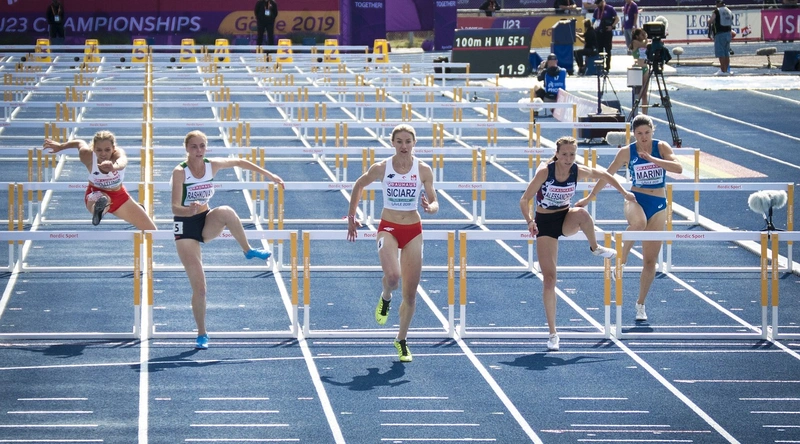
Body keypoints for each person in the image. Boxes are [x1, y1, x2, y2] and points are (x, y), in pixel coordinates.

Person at [171, 130, 284, 349]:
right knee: (200, 288)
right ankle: (202, 334)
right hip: (185, 226)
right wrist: (188, 210)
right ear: (187, 149)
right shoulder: (180, 172)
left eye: (202, 146)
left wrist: (269, 175)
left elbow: (240, 162)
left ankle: (247, 250)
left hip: (205, 219)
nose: (199, 150)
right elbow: (174, 207)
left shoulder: (212, 165)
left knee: (227, 211)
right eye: (194, 146)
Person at [521, 136, 634, 351]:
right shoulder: (545, 172)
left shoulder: (577, 171)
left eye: (572, 154)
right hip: (545, 224)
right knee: (549, 279)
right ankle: (553, 333)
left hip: (566, 218)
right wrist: (529, 221)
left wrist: (624, 193)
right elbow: (524, 199)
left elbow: (605, 174)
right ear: (557, 154)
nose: (568, 158)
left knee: (582, 214)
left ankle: (595, 248)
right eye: (564, 154)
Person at [346, 124, 438, 363]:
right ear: (393, 143)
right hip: (388, 227)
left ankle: (401, 340)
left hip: (413, 230)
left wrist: (430, 207)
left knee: (410, 294)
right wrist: (351, 216)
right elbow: (359, 184)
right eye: (399, 141)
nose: (404, 146)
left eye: (408, 141)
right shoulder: (382, 168)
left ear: (414, 143)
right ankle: (386, 295)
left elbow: (434, 200)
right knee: (394, 277)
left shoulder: (423, 169)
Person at [584, 115, 683, 322]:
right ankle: (622, 260)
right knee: (639, 223)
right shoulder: (626, 152)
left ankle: (640, 304)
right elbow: (607, 174)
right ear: (633, 134)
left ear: (652, 131)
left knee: (650, 261)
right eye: (639, 134)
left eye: (647, 133)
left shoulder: (661, 147)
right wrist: (590, 196)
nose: (644, 137)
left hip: (658, 204)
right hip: (636, 199)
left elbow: (678, 168)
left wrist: (653, 159)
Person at [42, 132, 157, 231]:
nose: (103, 154)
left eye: (107, 150)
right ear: (93, 149)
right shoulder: (87, 155)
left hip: (120, 196)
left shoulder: (118, 154)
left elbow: (123, 162)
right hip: (95, 193)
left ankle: (107, 208)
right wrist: (61, 146)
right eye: (99, 150)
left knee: (151, 230)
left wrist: (113, 167)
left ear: (113, 148)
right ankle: (98, 211)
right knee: (104, 199)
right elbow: (79, 143)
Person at [708, 0, 733, 75]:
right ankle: (727, 70)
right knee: (726, 53)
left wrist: (708, 21)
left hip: (720, 34)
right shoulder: (729, 11)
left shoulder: (717, 11)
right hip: (728, 33)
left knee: (721, 53)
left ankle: (723, 70)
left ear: (718, 4)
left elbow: (711, 20)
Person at [593, 0, 618, 72]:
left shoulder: (610, 8)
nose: (597, 5)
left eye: (598, 3)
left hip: (607, 33)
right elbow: (594, 20)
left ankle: (607, 67)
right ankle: (600, 66)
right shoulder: (597, 10)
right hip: (599, 33)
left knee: (608, 50)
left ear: (602, 2)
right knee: (599, 50)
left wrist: (612, 26)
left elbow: (617, 19)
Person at [630, 28, 650, 114]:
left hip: (645, 68)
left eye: (644, 34)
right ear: (637, 36)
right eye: (642, 34)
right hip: (637, 69)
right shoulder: (635, 42)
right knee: (638, 93)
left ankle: (644, 114)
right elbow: (643, 45)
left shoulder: (645, 42)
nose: (643, 36)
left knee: (645, 93)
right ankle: (635, 112)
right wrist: (646, 37)